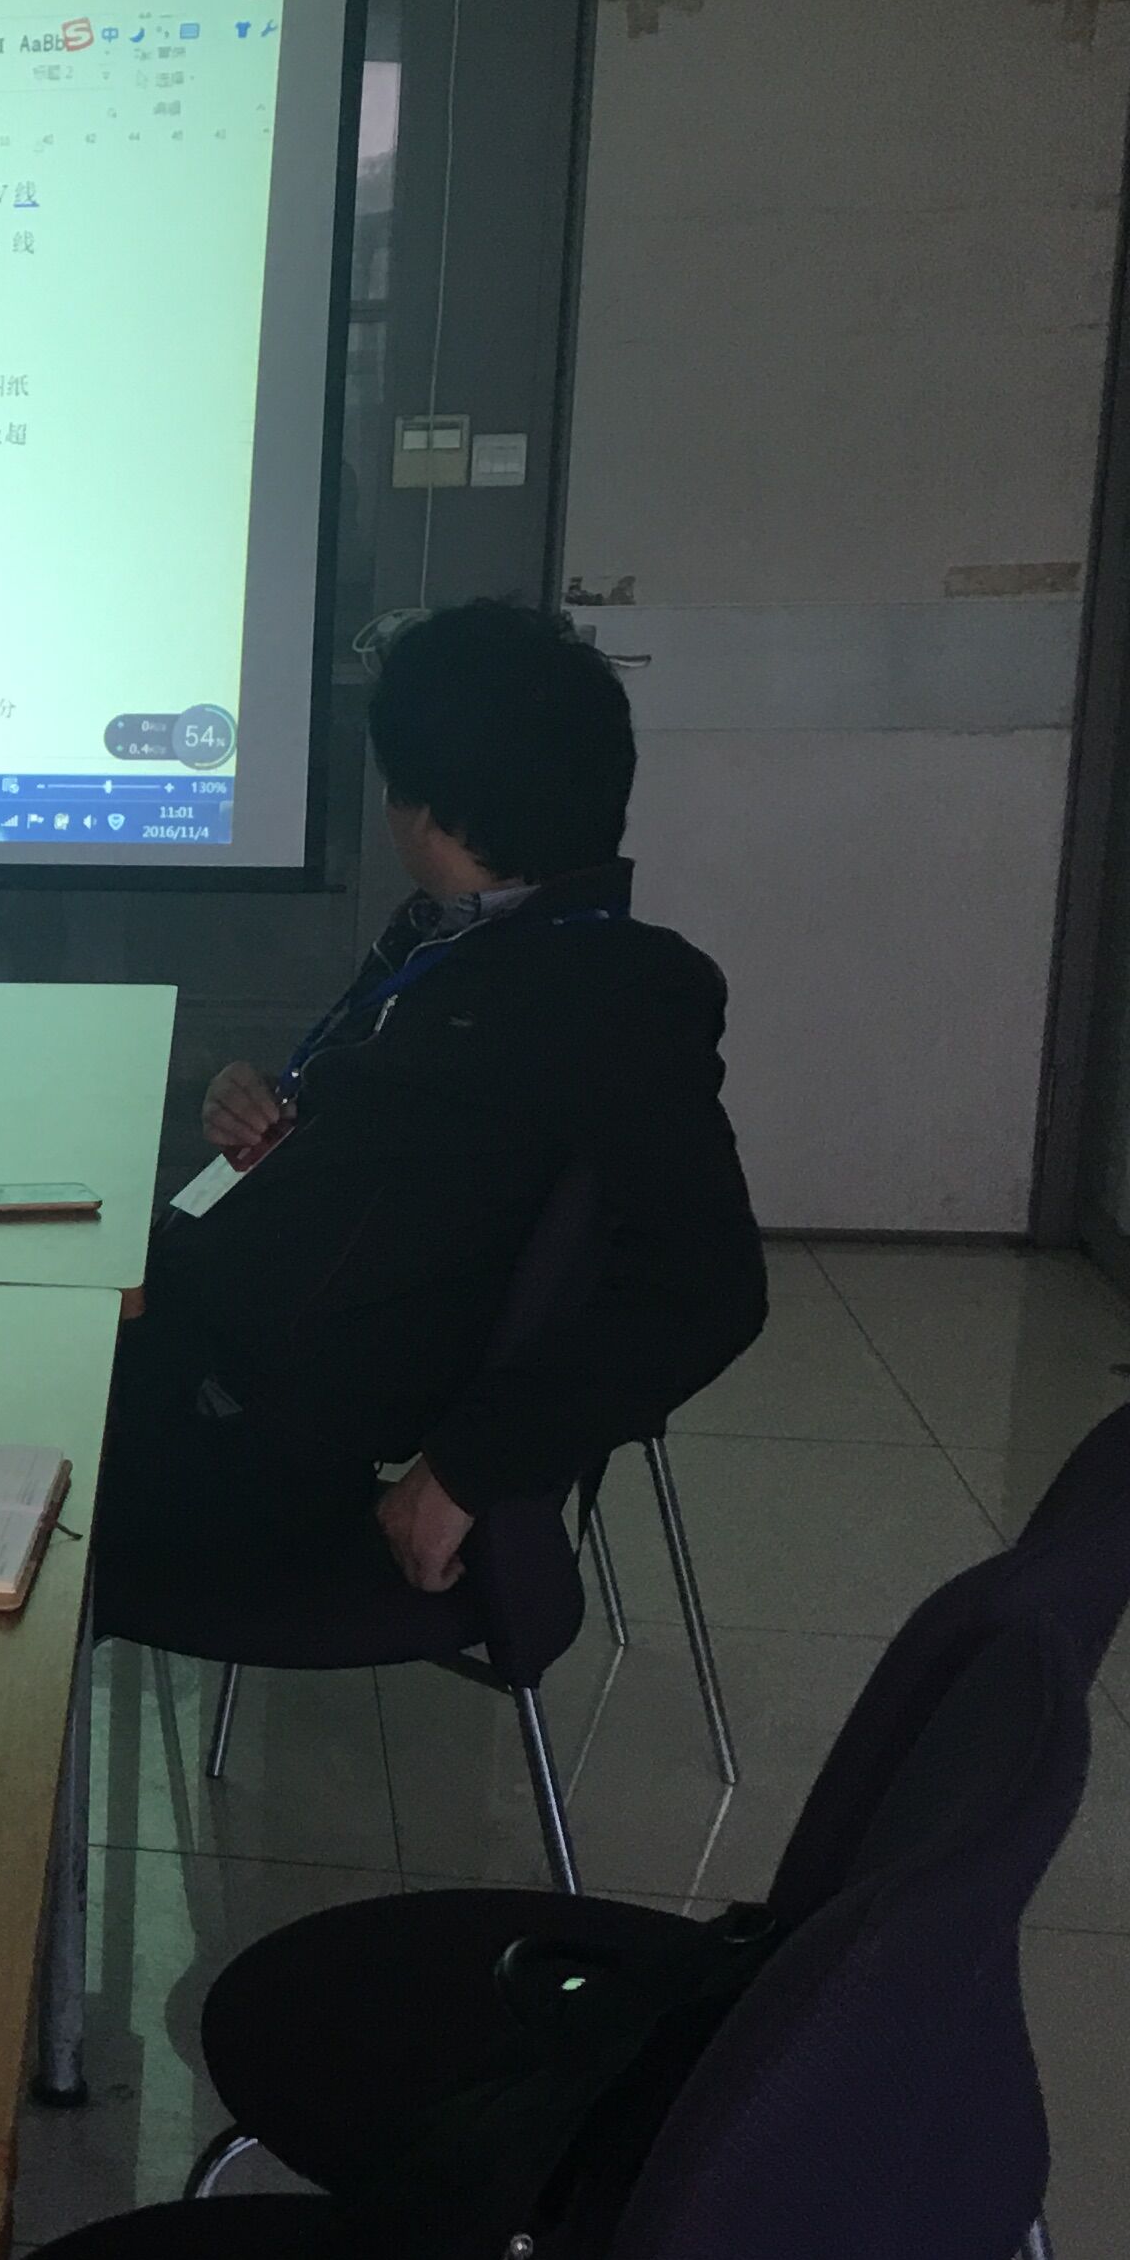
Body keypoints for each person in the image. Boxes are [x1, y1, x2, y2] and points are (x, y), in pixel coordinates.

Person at [97, 601, 767, 1611]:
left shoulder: (605, 1001)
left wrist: (468, 1467)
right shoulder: (458, 939)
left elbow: (711, 1288)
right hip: (211, 1355)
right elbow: (398, 1140)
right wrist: (275, 1106)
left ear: (424, 807)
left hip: (255, 1447)